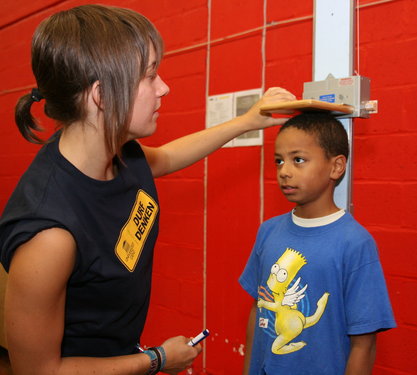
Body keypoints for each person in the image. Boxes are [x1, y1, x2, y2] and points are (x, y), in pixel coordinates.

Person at [0, 4, 296, 375]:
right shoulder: (49, 235)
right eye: (149, 76)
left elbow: (170, 156)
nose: (164, 87)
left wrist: (249, 120)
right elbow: (40, 371)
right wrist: (157, 360)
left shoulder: (119, 153)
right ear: (102, 95)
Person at [239, 112, 396, 375]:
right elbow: (258, 310)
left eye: (298, 160)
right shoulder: (268, 231)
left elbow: (364, 344)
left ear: (336, 167)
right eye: (279, 161)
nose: (284, 171)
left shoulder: (355, 243)